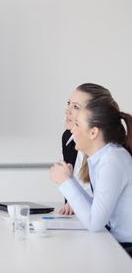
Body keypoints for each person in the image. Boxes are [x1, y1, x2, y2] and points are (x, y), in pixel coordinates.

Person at [50, 83, 132, 255]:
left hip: (124, 248)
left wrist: (65, 182)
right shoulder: (103, 157)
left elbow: (95, 223)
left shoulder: (112, 161)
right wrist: (70, 180)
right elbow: (96, 207)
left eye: (77, 125)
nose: (72, 131)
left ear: (93, 132)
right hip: (116, 243)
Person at [59, 84, 97, 215]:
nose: (67, 111)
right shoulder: (68, 137)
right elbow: (71, 203)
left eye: (75, 107)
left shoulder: (107, 150)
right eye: (68, 104)